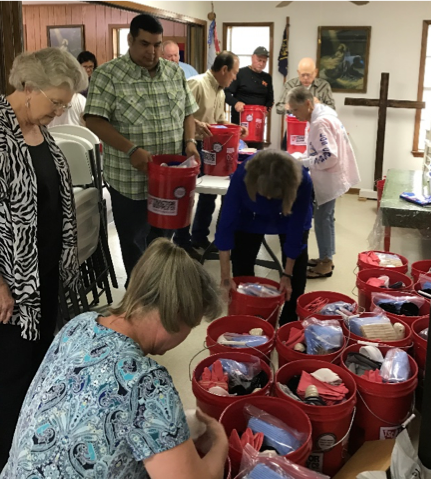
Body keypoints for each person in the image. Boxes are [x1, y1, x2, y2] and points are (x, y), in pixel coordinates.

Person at [1, 239, 229, 479]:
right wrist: (219, 439)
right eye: (191, 326)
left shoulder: (79, 325)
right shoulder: (149, 385)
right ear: (177, 313)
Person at [0, 47, 87, 470]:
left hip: (45, 275)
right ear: (27, 87)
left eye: (64, 104)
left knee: (37, 366)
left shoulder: (39, 129)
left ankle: (29, 452)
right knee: (11, 374)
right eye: (56, 102)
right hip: (11, 286)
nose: (60, 111)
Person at [84, 14, 199, 286]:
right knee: (135, 244)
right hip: (129, 181)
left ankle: (160, 296)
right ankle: (139, 300)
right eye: (145, 44)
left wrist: (190, 142)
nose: (152, 51)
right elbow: (94, 120)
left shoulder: (174, 73)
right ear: (130, 40)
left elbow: (187, 113)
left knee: (162, 241)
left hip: (169, 179)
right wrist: (130, 149)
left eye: (157, 44)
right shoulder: (108, 75)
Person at [214, 150, 313, 326]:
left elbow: (296, 230)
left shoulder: (302, 180)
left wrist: (286, 274)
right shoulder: (243, 174)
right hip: (249, 215)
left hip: (288, 212)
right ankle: (248, 317)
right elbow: (226, 225)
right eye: (264, 193)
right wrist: (225, 277)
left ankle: (288, 323)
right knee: (242, 266)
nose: (268, 198)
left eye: (272, 195)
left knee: (295, 279)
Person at [173, 51, 247, 255]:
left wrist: (235, 128)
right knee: (187, 194)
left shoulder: (220, 91)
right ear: (224, 69)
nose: (234, 78)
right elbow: (177, 112)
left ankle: (200, 236)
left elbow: (219, 121)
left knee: (209, 194)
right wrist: (197, 124)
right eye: (234, 73)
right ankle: (181, 241)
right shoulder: (196, 84)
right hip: (189, 145)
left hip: (209, 148)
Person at [287, 86, 360, 278]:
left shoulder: (320, 123)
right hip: (332, 176)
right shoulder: (323, 117)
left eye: (296, 109)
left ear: (308, 104)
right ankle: (325, 257)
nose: (294, 114)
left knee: (323, 219)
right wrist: (304, 157)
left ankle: (326, 262)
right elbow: (317, 150)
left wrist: (303, 161)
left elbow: (329, 156)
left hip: (329, 178)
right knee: (324, 219)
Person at [276, 57, 335, 150]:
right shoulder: (290, 85)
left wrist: (320, 105)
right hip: (294, 130)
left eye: (309, 75)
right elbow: (278, 108)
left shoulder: (324, 86)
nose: (306, 78)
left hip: (316, 130)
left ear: (315, 72)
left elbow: (332, 109)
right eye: (303, 75)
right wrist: (288, 107)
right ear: (298, 72)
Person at [225, 46, 274, 150]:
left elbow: (270, 99)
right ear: (252, 58)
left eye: (264, 61)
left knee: (256, 155)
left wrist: (267, 109)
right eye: (259, 60)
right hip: (240, 120)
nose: (261, 64)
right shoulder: (240, 73)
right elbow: (226, 93)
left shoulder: (267, 78)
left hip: (257, 124)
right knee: (239, 152)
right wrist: (236, 103)